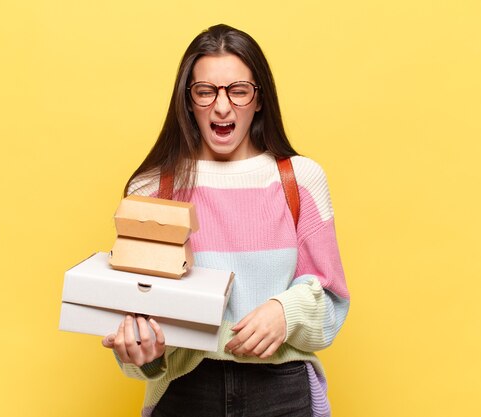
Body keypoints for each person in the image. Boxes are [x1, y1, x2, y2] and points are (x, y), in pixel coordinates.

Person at [101, 24, 349, 417]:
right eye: (205, 91)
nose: (221, 107)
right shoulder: (151, 189)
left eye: (238, 90)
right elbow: (135, 324)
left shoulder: (301, 180)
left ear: (259, 98)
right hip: (185, 393)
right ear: (188, 100)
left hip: (282, 392)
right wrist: (143, 353)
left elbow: (334, 301)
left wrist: (286, 312)